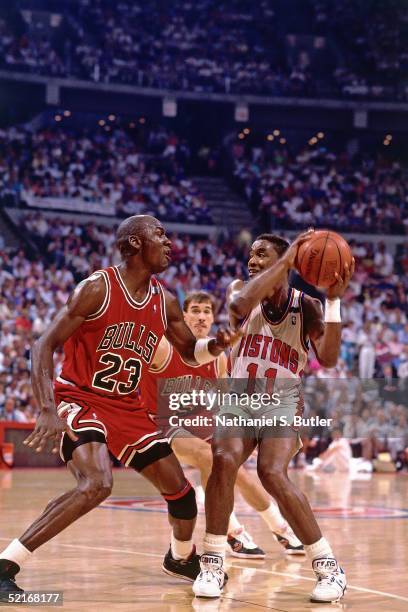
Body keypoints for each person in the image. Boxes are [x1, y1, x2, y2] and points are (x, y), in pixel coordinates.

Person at [0, 215, 236, 598]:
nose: (168, 240)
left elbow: (190, 354)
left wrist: (216, 346)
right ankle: (6, 565)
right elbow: (43, 344)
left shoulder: (165, 300)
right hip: (81, 397)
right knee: (97, 483)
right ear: (134, 243)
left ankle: (179, 558)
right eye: (159, 233)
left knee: (182, 494)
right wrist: (46, 407)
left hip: (127, 407)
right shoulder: (98, 287)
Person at [193, 231, 354, 603]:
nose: (252, 260)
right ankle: (213, 562)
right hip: (239, 397)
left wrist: (333, 302)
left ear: (285, 260)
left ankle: (328, 567)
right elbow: (238, 306)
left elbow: (328, 358)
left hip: (282, 400)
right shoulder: (241, 291)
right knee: (223, 459)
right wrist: (286, 261)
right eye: (251, 254)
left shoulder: (307, 306)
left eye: (262, 254)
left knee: (272, 473)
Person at [143, 291, 304, 559]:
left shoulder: (216, 355)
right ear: (183, 316)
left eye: (207, 312)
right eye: (195, 310)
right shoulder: (162, 344)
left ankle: (281, 529)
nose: (201, 317)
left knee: (237, 470)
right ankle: (232, 531)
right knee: (210, 457)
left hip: (199, 422)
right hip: (162, 422)